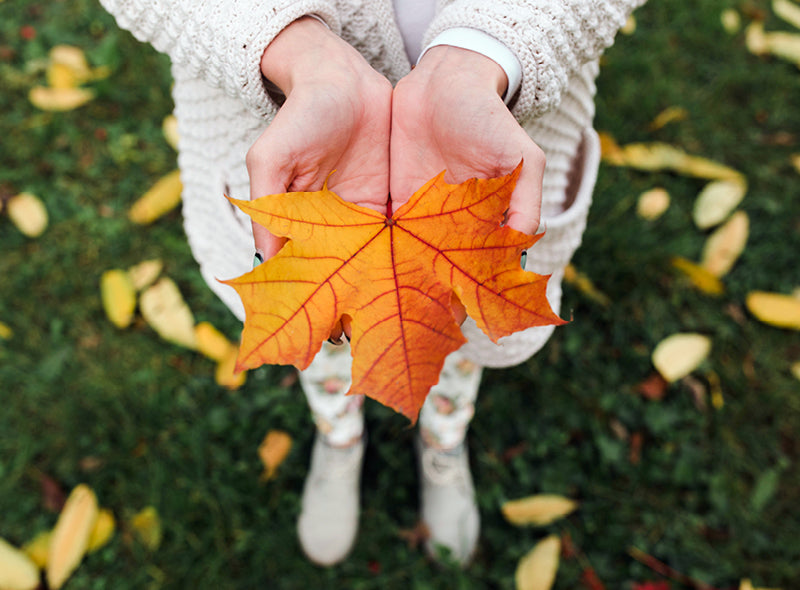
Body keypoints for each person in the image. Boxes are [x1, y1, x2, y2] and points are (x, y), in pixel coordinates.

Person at [101, 0, 645, 568]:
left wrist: (485, 53)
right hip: (293, 143)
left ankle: (442, 437)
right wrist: (294, 50)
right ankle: (340, 436)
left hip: (489, 130)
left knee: (461, 336)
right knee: (320, 339)